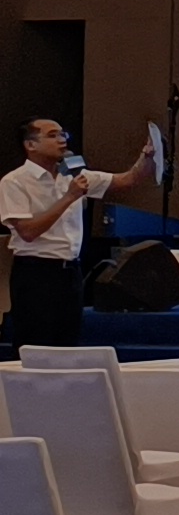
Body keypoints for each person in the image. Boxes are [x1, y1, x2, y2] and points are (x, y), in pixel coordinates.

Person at [3, 116, 154, 351]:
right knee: (35, 345)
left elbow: (128, 180)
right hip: (35, 273)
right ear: (30, 144)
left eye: (63, 134)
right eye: (52, 135)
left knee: (67, 344)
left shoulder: (74, 174)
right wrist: (70, 197)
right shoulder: (15, 182)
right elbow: (28, 231)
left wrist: (148, 156)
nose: (61, 140)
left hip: (70, 272)